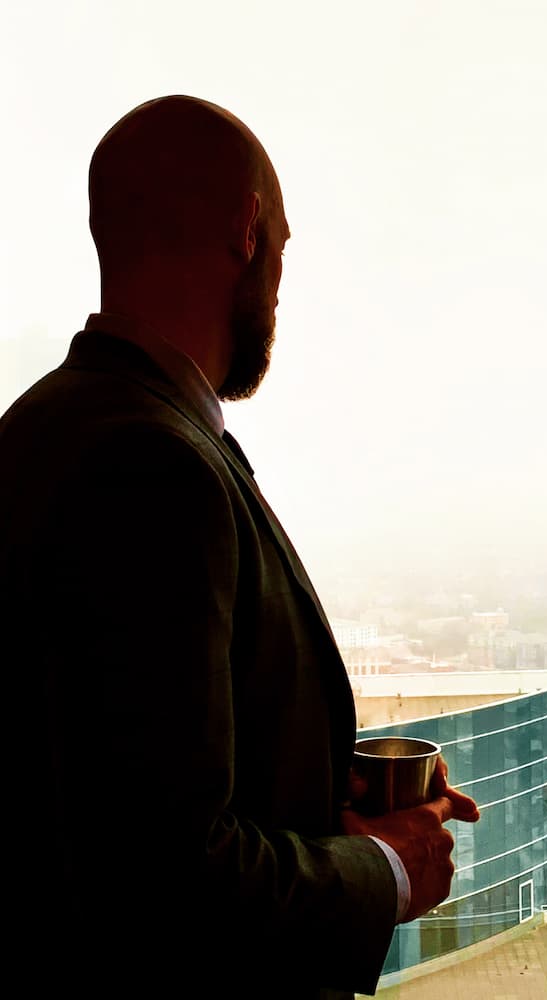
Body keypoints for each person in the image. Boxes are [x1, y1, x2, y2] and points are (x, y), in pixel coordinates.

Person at [0, 95, 479, 999]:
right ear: (249, 230)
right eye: (285, 248)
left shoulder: (44, 427)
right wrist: (390, 867)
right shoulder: (147, 465)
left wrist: (309, 775)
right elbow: (161, 875)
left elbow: (94, 762)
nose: (281, 283)